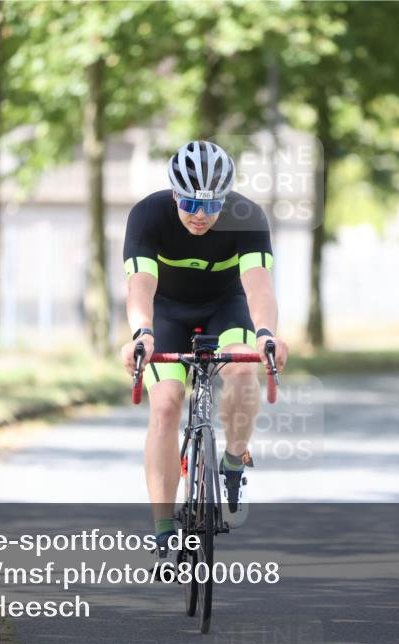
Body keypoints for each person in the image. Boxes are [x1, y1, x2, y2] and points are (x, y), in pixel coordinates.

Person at [119, 140, 289, 559]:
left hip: (227, 308)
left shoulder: (246, 217)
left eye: (212, 205)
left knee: (243, 371)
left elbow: (258, 285)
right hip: (167, 313)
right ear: (175, 193)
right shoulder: (147, 215)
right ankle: (162, 527)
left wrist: (266, 332)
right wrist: (142, 332)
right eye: (191, 202)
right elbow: (140, 285)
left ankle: (233, 458)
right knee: (165, 404)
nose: (200, 214)